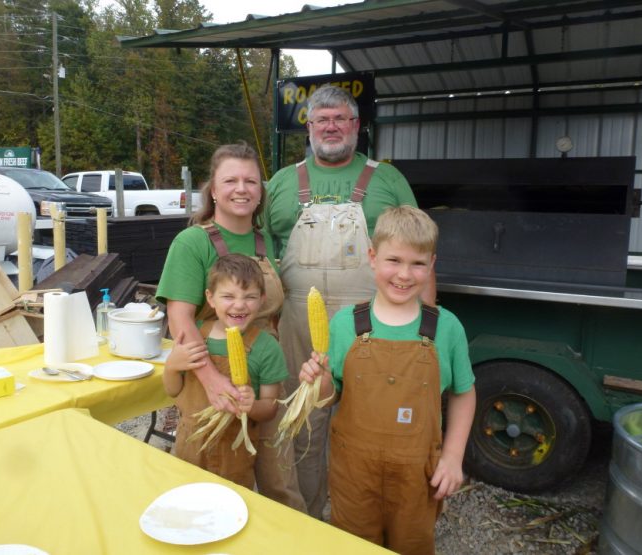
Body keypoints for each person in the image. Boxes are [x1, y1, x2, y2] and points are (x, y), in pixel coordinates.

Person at [264, 84, 434, 518]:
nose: (331, 127)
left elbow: (422, 255)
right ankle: (304, 516)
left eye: (341, 118)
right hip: (298, 323)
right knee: (302, 422)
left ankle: (361, 519)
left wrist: (428, 327)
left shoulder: (387, 179)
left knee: (368, 423)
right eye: (322, 119)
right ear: (310, 127)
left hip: (372, 322)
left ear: (357, 126)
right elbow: (261, 258)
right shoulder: (283, 182)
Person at [299, 206, 476, 554]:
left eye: (418, 264)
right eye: (394, 260)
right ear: (373, 257)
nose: (404, 275)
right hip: (354, 476)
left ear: (432, 265)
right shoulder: (346, 323)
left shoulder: (446, 327)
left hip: (416, 477)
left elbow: (464, 393)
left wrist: (454, 456)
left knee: (411, 544)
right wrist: (316, 381)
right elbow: (329, 395)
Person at [156, 142, 306, 511]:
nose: (242, 188)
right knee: (209, 482)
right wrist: (212, 381)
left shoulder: (264, 240)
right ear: (214, 190)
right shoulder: (192, 242)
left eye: (251, 181)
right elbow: (180, 320)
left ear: (261, 192)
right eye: (231, 180)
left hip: (264, 377)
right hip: (212, 381)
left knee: (279, 484)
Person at [163, 254, 286, 488]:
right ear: (210, 298)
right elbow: (173, 390)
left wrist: (254, 406)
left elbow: (270, 408)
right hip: (189, 446)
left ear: (262, 300)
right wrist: (172, 366)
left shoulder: (267, 348)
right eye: (228, 296)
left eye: (249, 297)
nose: (239, 305)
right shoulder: (196, 336)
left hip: (235, 455)